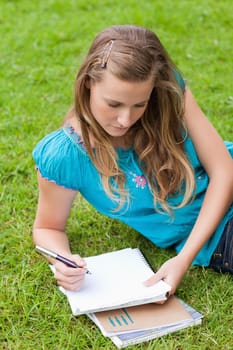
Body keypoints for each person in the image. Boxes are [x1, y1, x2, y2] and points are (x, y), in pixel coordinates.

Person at [32, 24, 233, 297]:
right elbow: (47, 227)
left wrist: (183, 259)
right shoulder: (63, 155)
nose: (126, 119)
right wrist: (62, 261)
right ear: (88, 82)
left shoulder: (168, 90)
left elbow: (223, 170)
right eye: (114, 104)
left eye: (140, 104)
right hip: (222, 234)